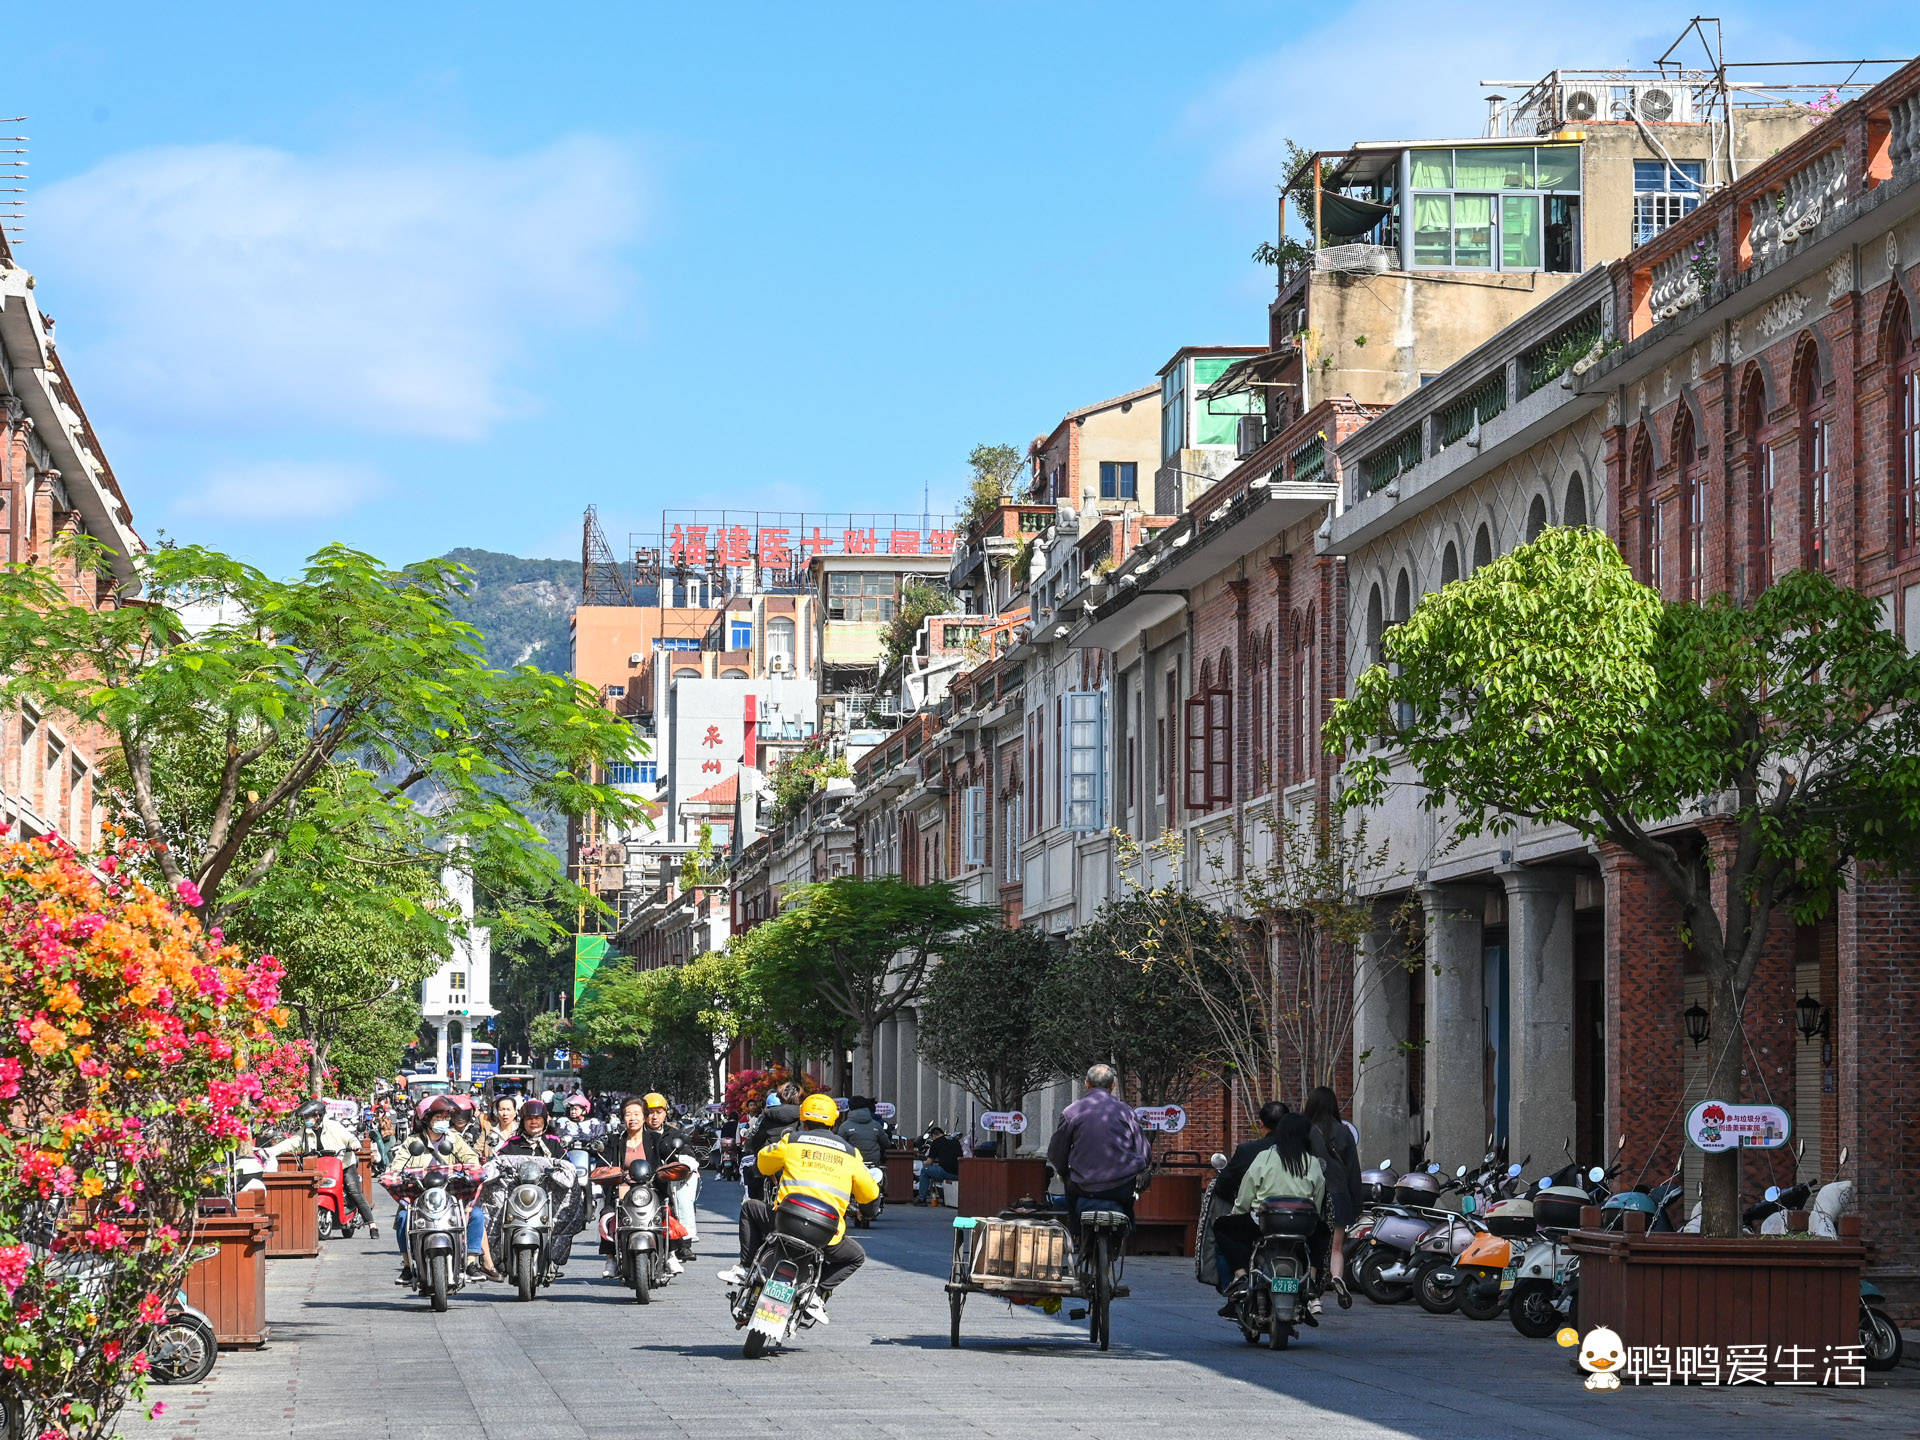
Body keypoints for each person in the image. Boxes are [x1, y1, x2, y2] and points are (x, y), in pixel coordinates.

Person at [720, 1093, 877, 1325]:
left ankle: (745, 1267)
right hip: (826, 1234)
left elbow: (763, 1163)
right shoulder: (851, 1154)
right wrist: (867, 1211)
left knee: (750, 1208)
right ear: (834, 1121)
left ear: (803, 1118)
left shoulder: (792, 1141)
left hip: (785, 1222)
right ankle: (817, 1294)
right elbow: (870, 1194)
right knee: (855, 1256)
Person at [1212, 1113, 1326, 1318]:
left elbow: (1246, 1193)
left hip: (1264, 1224)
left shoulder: (1265, 1157)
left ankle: (1240, 1277)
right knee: (1324, 1233)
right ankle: (1311, 1279)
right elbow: (1317, 1201)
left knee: (1222, 1227)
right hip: (1301, 1226)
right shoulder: (1312, 1163)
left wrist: (1237, 1213)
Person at [388, 1097, 485, 1284]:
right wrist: (398, 1174)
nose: (443, 1121)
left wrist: (466, 1170)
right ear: (427, 1119)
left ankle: (471, 1263)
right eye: (438, 1117)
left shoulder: (454, 1139)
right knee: (402, 1218)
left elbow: (471, 1159)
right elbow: (397, 1165)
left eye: (446, 1118)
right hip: (419, 1199)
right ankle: (408, 1266)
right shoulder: (412, 1142)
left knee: (477, 1215)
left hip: (449, 1197)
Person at [1047, 1065, 1149, 1232]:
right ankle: (1125, 1233)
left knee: (1070, 1196)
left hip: (1083, 1186)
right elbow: (1143, 1151)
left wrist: (1064, 1171)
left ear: (1087, 1084)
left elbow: (1057, 1151)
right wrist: (1142, 1168)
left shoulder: (1072, 1112)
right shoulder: (1127, 1112)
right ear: (1113, 1086)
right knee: (1128, 1204)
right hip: (1121, 1186)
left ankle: (1076, 1235)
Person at [494, 1099, 582, 1280]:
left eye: (537, 1118)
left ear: (545, 1120)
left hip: (547, 1199)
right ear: (523, 1121)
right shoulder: (512, 1143)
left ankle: (552, 1255)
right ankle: (499, 1258)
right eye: (529, 1119)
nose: (533, 1122)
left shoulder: (554, 1143)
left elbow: (568, 1167)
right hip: (517, 1199)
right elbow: (497, 1163)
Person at [1208, 1100, 1289, 1288]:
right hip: (1301, 1222)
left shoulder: (1253, 1152)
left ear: (1261, 1123)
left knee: (1222, 1228)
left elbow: (1228, 1188)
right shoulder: (1305, 1154)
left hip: (1261, 1219)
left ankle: (1236, 1282)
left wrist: (1238, 1209)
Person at [281, 1099, 379, 1238]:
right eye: (305, 1118)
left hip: (343, 1163)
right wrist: (269, 1151)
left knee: (354, 1191)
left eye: (308, 1117)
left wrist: (355, 1145)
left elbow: (350, 1138)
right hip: (321, 1165)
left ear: (318, 1116)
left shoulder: (333, 1126)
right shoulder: (305, 1131)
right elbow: (290, 1143)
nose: (306, 1120)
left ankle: (372, 1225)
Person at [1305, 1086, 1360, 1307]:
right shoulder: (1344, 1131)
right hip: (1339, 1196)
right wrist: (1356, 1204)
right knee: (1336, 1247)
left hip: (1311, 1197)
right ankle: (1336, 1276)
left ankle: (1311, 1292)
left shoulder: (1305, 1131)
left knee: (1310, 1245)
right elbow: (1353, 1172)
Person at [594, 1096, 652, 1279]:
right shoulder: (615, 1140)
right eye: (628, 1114)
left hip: (649, 1188)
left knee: (667, 1211)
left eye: (637, 1114)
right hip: (622, 1188)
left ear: (644, 1117)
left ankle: (673, 1252)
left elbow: (667, 1159)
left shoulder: (655, 1140)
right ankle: (610, 1257)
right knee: (608, 1215)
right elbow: (605, 1161)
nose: (632, 1118)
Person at [641, 1092, 699, 1270]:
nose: (654, 1116)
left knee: (678, 1197)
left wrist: (685, 1165)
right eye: (650, 1112)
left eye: (659, 1112)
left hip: (665, 1182)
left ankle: (683, 1242)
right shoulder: (634, 1134)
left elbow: (687, 1154)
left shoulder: (673, 1134)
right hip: (640, 1182)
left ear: (666, 1113)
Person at [742, 1083, 802, 1202]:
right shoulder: (803, 1116)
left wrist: (753, 1147)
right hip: (797, 1161)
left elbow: (757, 1139)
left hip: (771, 1159)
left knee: (752, 1179)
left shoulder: (767, 1117)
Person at [914, 1126, 964, 1205]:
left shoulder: (936, 1142)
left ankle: (921, 1198)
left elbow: (929, 1161)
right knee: (936, 1170)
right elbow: (960, 1157)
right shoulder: (955, 1141)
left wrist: (923, 1162)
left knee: (925, 1171)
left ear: (934, 1135)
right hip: (958, 1173)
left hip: (946, 1172)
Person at [837, 1098, 886, 1167]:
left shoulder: (844, 1126)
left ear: (850, 1108)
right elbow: (886, 1143)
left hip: (852, 1163)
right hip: (873, 1163)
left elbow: (839, 1145)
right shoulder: (876, 1125)